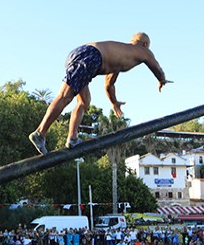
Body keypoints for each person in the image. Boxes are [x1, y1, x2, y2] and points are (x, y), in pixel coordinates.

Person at [29, 32, 171, 154]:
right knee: (65, 97)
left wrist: (114, 103)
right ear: (145, 44)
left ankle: (72, 138)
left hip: (85, 55)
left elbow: (109, 85)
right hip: (90, 55)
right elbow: (156, 66)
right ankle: (40, 133)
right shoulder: (141, 50)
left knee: (84, 101)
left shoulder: (120, 54)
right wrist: (162, 80)